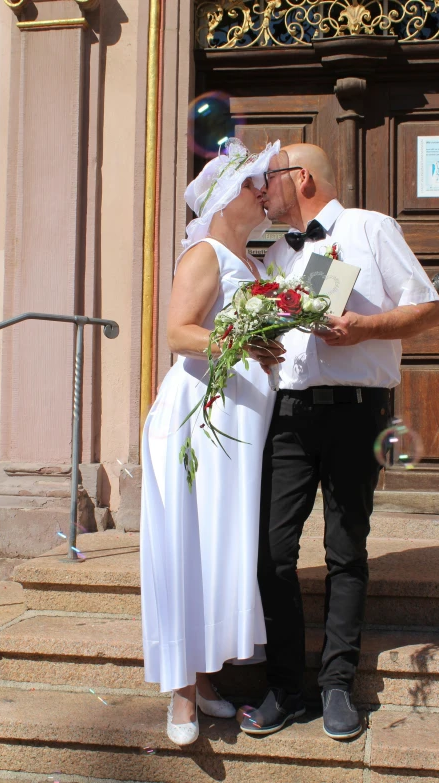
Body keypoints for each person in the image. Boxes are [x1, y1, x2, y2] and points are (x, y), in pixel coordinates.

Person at [241, 143, 439, 740]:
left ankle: (336, 686)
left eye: (269, 179)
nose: (262, 191)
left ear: (301, 178)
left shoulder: (370, 228)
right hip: (289, 415)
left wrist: (363, 330)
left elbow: (429, 310)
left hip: (357, 412)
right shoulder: (277, 253)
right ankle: (284, 686)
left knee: (345, 550)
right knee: (272, 553)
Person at [140, 138, 280, 746]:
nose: (265, 193)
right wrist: (242, 345)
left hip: (237, 427)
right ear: (227, 196)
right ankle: (179, 695)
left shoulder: (253, 263)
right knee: (188, 547)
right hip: (199, 418)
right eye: (255, 184)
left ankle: (204, 679)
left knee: (221, 547)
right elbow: (177, 331)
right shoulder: (204, 253)